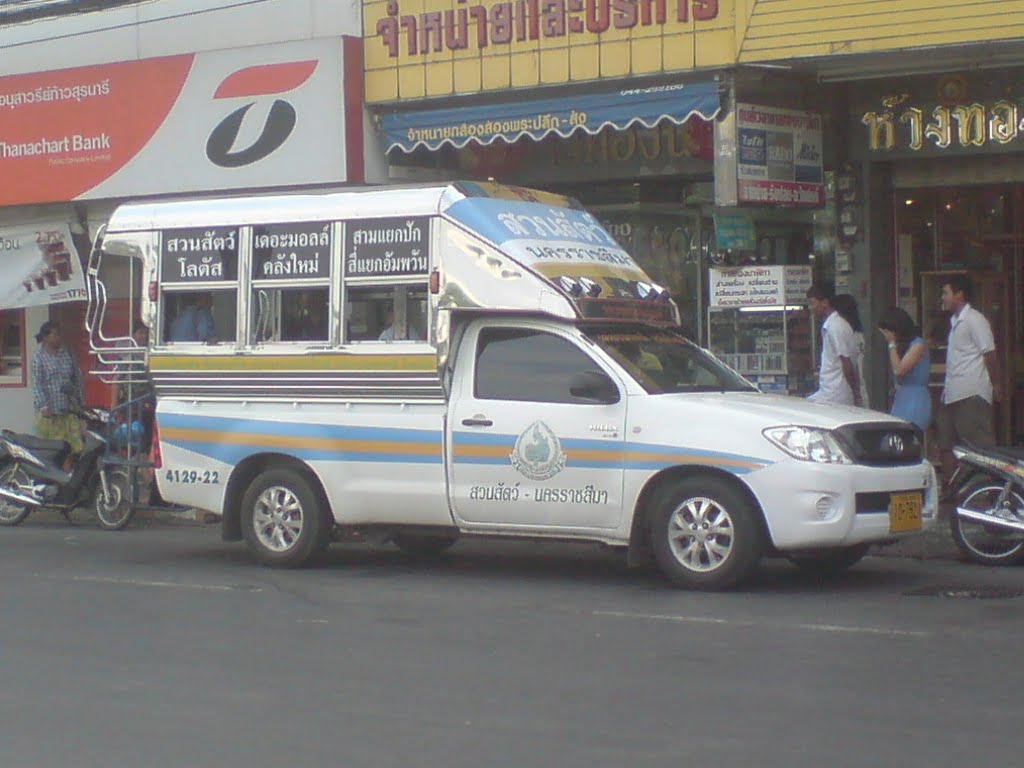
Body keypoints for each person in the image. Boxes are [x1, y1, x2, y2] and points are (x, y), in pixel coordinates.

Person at [938, 274, 1002, 488]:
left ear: (959, 295)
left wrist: (997, 384)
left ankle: (987, 493)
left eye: (946, 293)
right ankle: (954, 490)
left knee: (978, 448)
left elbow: (990, 354)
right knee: (946, 444)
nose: (943, 297)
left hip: (971, 393)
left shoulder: (975, 320)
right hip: (952, 394)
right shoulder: (955, 321)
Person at [31, 321, 84, 467]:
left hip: (68, 410)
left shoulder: (67, 352)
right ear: (45, 337)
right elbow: (37, 383)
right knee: (51, 449)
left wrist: (80, 404)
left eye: (59, 334)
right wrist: (44, 406)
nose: (58, 337)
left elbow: (77, 379)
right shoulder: (38, 357)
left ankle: (68, 476)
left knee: (74, 447)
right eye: (55, 334)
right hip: (49, 414)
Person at [806, 285, 861, 407]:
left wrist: (856, 393)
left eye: (812, 303)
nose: (810, 308)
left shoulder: (836, 326)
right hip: (828, 391)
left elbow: (847, 363)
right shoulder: (831, 324)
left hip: (835, 394)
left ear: (824, 302)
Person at [877, 306, 931, 431]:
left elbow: (899, 370)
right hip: (902, 396)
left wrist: (891, 344)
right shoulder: (901, 347)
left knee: (909, 434)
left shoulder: (918, 345)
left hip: (915, 398)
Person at [832, 293, 870, 409]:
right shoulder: (858, 333)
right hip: (859, 384)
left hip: (846, 386)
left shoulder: (841, 332)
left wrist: (856, 393)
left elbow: (849, 364)